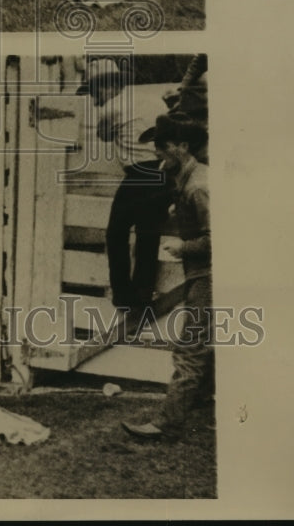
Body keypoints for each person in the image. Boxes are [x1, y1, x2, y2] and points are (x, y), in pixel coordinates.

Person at [121, 112, 213, 441]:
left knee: (190, 348)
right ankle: (201, 406)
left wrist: (183, 246)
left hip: (209, 275)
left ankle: (167, 424)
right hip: (203, 274)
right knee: (207, 344)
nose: (157, 153)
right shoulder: (190, 179)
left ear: (182, 146)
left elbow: (218, 238)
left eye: (163, 146)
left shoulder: (198, 187)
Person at [85, 59, 175, 313]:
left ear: (111, 85)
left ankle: (123, 295)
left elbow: (104, 135)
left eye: (97, 89)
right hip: (162, 171)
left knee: (116, 232)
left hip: (140, 173)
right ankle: (143, 292)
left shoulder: (110, 108)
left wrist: (102, 108)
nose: (96, 96)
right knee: (148, 233)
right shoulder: (149, 100)